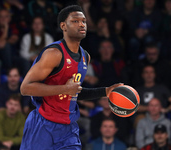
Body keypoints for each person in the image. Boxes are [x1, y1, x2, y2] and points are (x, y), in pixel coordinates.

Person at [20, 5, 122, 150]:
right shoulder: (54, 53)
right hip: (43, 124)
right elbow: (25, 88)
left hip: (68, 128)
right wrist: (65, 88)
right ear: (63, 26)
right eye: (75, 21)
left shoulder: (85, 57)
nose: (81, 24)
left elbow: (73, 92)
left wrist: (106, 91)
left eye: (84, 21)